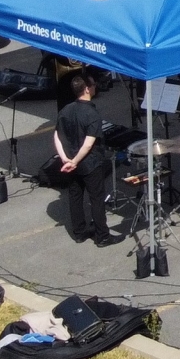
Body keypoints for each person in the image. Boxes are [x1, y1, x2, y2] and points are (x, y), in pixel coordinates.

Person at [53, 73, 118, 246]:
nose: (96, 86)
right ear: (87, 89)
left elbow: (57, 136)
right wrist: (75, 161)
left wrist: (66, 159)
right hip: (89, 163)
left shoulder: (65, 110)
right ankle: (102, 236)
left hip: (69, 162)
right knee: (96, 198)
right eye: (94, 84)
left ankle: (79, 232)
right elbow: (88, 144)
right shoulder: (92, 114)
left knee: (75, 195)